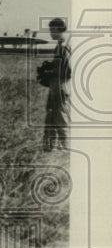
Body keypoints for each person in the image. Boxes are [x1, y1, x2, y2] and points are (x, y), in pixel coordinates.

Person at [43, 17, 71, 151]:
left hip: (60, 86)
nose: (50, 33)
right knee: (52, 115)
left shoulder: (63, 47)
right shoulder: (61, 45)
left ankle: (66, 148)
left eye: (51, 30)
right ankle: (53, 147)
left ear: (56, 29)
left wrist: (49, 71)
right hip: (58, 86)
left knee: (60, 117)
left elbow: (66, 70)